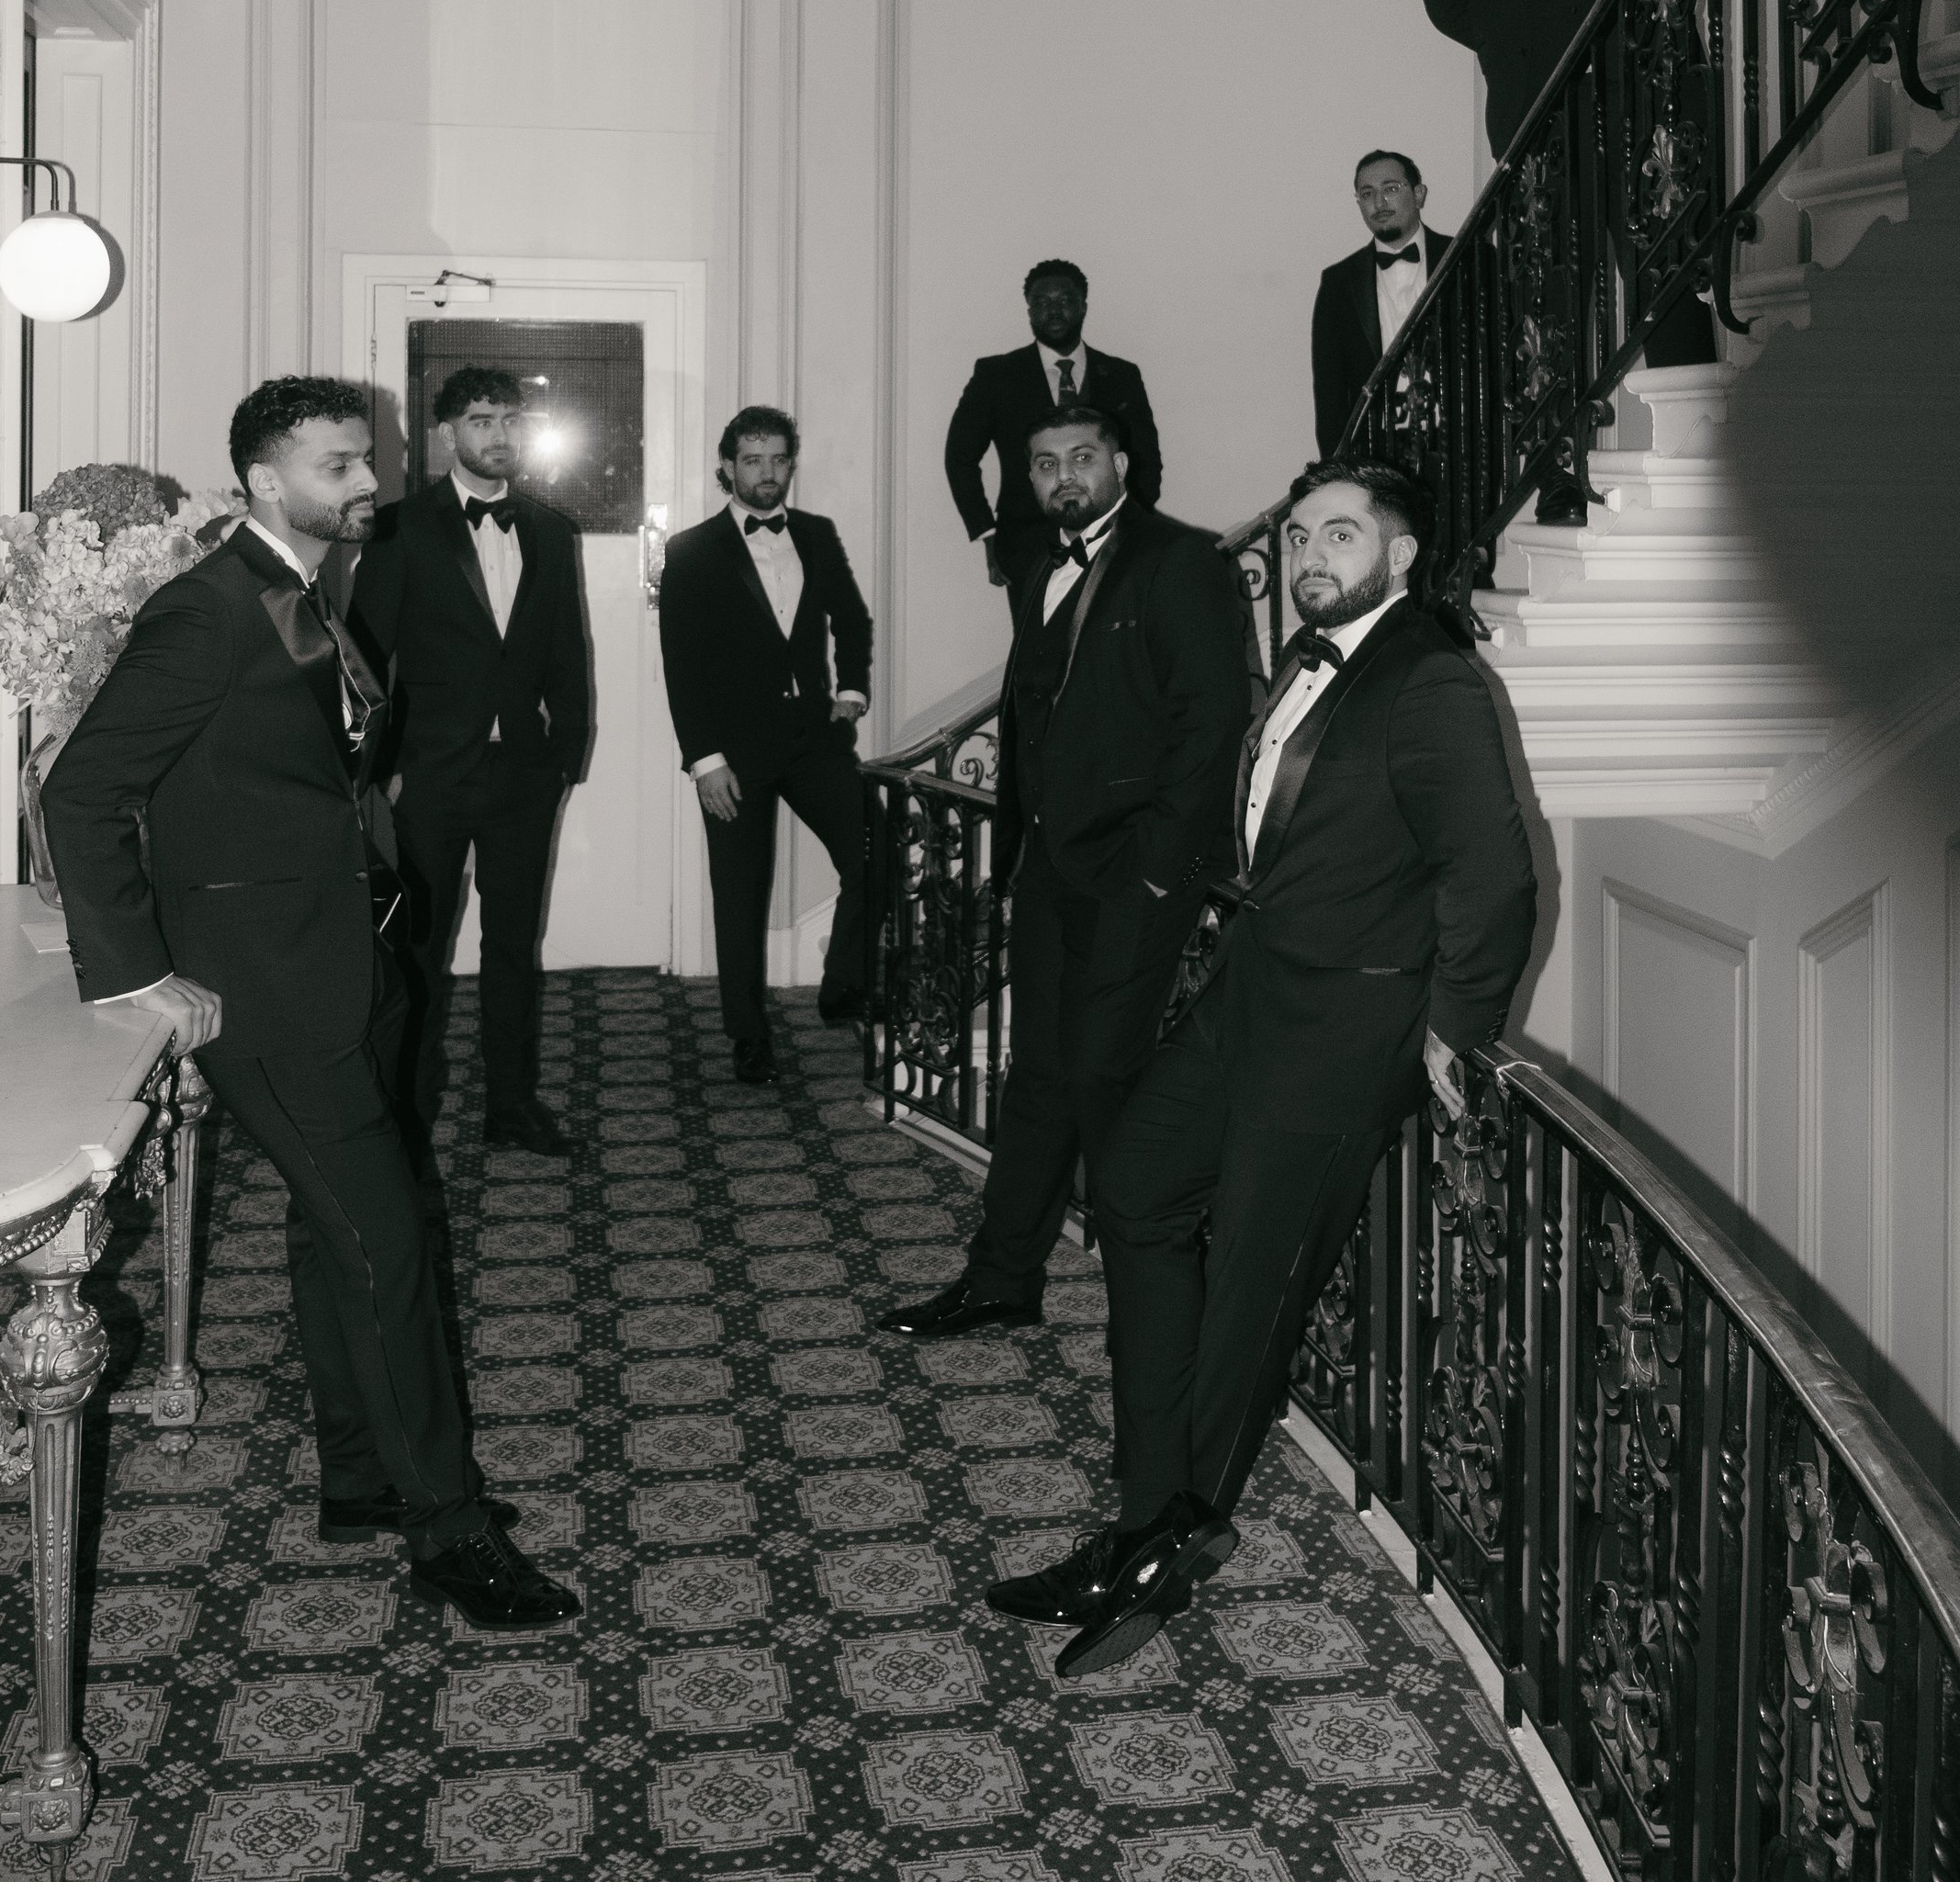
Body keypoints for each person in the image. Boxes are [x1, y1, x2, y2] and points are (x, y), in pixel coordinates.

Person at [42, 376, 577, 1633]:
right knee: (388, 1237)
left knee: (342, 1231)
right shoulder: (207, 612)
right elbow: (82, 791)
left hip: (349, 956)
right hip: (265, 989)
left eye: (366, 457)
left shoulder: (299, 594)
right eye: (340, 462)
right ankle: (448, 1528)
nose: (367, 481)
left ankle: (361, 1479)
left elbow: (320, 775)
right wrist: (136, 971)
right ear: (266, 481)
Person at [999, 458, 1534, 1674]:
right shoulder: (1307, 658)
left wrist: (1454, 1024)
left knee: (1248, 1279)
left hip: (1344, 1029)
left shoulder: (1433, 680)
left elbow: (1495, 875)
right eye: (1297, 535)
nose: (1308, 554)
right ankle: (1155, 1499)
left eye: (1338, 534)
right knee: (1132, 1183)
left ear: (1397, 555)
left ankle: (1157, 1538)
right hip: (1253, 988)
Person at [884, 400, 1250, 1347]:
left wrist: (1163, 874)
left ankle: (1164, 1294)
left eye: (1081, 457)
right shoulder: (1036, 563)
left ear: (1122, 461)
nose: (1062, 477)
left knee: (1102, 1076)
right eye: (1044, 464)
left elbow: (1210, 729)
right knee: (1038, 1076)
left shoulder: (1184, 562)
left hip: (1137, 871)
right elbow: (1037, 708)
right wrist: (1016, 855)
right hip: (1047, 865)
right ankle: (1002, 1275)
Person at [1414, 0, 1713, 519]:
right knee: (1546, 291)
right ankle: (1555, 480)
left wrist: (1648, 20)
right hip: (1535, 110)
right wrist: (1523, 41)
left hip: (1650, 90)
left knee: (1668, 268)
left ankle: (1697, 449)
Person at [350, 366, 591, 1156]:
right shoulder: (398, 527)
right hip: (428, 775)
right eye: (483, 420)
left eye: (512, 420)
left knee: (514, 947)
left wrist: (566, 756)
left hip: (523, 774)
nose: (500, 434)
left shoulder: (551, 531)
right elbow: (364, 658)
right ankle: (409, 1111)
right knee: (419, 948)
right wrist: (378, 771)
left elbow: (566, 652)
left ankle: (512, 1104)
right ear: (448, 434)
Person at [658, 406, 873, 1084]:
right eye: (754, 460)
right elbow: (681, 663)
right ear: (728, 467)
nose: (768, 473)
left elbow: (853, 618)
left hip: (814, 737)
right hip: (734, 752)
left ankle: (841, 984)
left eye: (778, 459)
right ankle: (748, 1039)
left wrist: (853, 691)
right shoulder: (690, 551)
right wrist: (705, 761)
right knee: (740, 895)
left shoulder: (815, 533)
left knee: (873, 852)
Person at [943, 262, 1164, 592]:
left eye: (1064, 300)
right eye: (1042, 302)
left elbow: (1144, 457)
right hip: (1026, 545)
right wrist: (987, 533)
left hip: (1113, 539)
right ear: (1030, 311)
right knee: (1038, 643)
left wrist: (1132, 522)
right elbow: (960, 457)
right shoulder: (996, 375)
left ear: (1082, 306)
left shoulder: (1121, 375)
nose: (1054, 310)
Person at [1311, 149, 1453, 455]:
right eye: (1366, 194)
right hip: (1373, 458)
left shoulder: (1468, 258)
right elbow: (1330, 396)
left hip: (1458, 451)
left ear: (1419, 194)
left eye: (1390, 189)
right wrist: (1338, 473)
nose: (1378, 203)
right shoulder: (1337, 283)